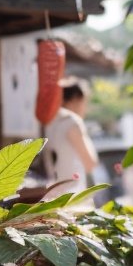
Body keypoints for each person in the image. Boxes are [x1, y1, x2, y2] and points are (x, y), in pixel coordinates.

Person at [42, 78, 99, 207]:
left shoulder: (48, 122)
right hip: (72, 196)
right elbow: (90, 163)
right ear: (76, 100)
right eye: (84, 102)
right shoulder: (72, 122)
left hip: (51, 195)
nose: (85, 108)